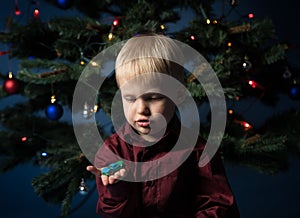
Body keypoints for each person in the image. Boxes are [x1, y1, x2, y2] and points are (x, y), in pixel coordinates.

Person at [87, 34, 240, 218]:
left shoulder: (198, 151)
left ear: (179, 94)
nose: (141, 109)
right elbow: (112, 213)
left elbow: (219, 206)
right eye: (130, 98)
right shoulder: (113, 152)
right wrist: (116, 188)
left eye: (153, 97)